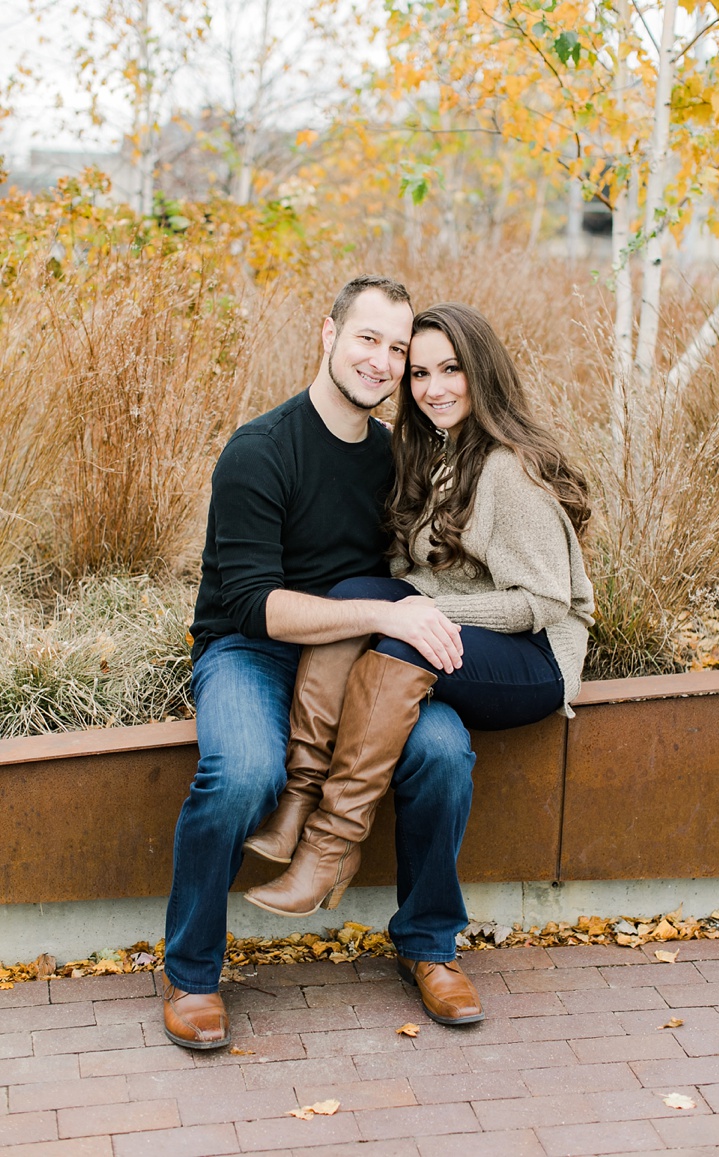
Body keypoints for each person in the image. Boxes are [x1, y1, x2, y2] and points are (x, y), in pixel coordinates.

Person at [242, 302, 595, 1018]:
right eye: (421, 372)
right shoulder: (432, 452)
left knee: (396, 625)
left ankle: (340, 855)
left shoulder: (507, 469)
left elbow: (544, 602)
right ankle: (303, 798)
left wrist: (419, 615)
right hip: (450, 654)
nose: (433, 388)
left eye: (451, 371)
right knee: (357, 605)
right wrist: (395, 607)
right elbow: (409, 583)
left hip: (529, 659)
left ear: (482, 374)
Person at [161, 276, 483, 1050]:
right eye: (368, 338)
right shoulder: (260, 450)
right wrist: (380, 612)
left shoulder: (396, 459)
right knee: (241, 770)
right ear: (328, 334)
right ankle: (191, 970)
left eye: (398, 349)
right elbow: (252, 605)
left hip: (364, 662)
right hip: (253, 654)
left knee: (443, 752)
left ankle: (429, 944)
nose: (381, 361)